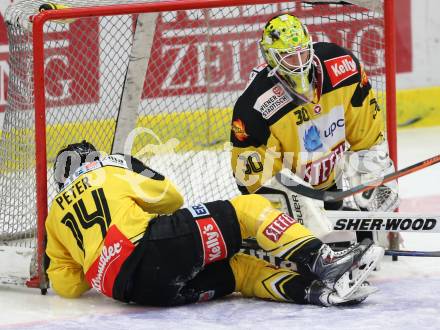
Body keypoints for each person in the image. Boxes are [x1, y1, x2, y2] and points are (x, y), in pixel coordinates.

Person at [45, 140, 384, 307]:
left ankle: (317, 294)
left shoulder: (53, 217)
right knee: (248, 209)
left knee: (240, 271)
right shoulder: (107, 171)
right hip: (155, 246)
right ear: (93, 160)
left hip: (135, 293)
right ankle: (324, 262)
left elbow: (68, 286)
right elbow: (172, 198)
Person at [230, 14, 399, 244]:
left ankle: (369, 231)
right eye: (289, 57)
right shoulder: (255, 103)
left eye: (302, 52)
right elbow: (250, 175)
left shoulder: (343, 66)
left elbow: (367, 134)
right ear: (271, 58)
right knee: (313, 229)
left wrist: (374, 177)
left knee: (372, 172)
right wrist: (298, 202)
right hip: (292, 187)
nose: (299, 63)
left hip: (328, 180)